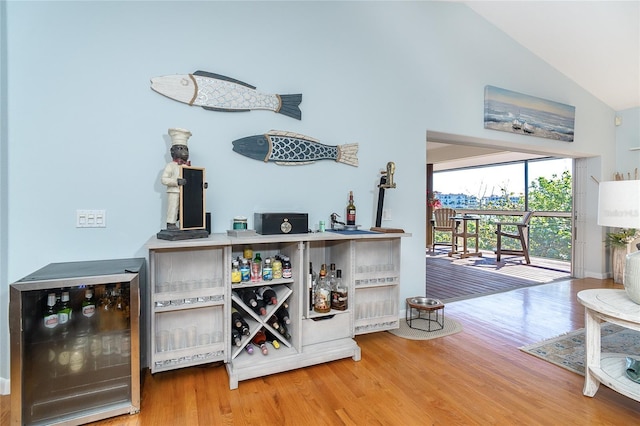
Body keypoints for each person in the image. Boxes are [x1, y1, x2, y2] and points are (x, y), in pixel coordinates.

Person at [161, 128, 191, 230]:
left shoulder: (188, 166)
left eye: (186, 149)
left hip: (186, 193)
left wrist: (201, 185)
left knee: (186, 209)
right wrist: (176, 182)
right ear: (172, 151)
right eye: (180, 149)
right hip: (174, 191)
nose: (184, 152)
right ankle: (171, 224)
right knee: (173, 208)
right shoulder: (170, 165)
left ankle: (185, 224)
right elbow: (164, 179)